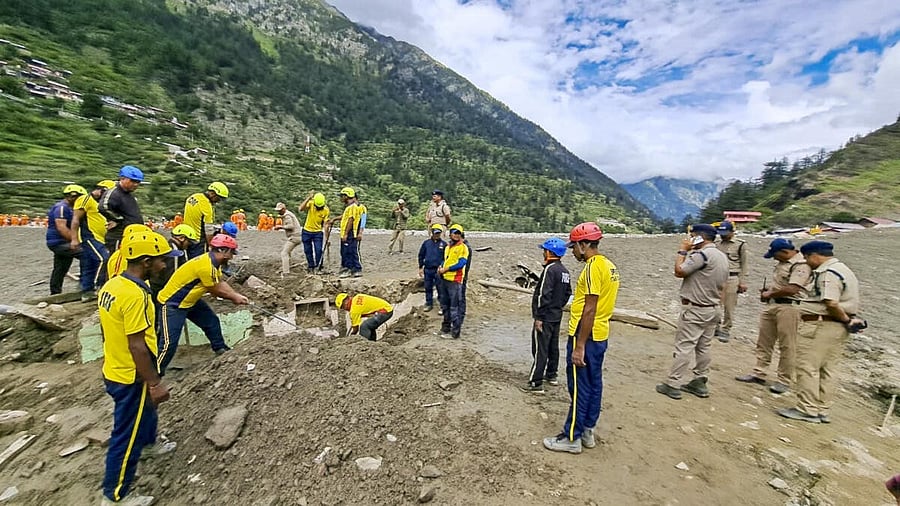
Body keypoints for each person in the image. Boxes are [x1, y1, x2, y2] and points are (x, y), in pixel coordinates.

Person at [98, 229, 180, 506]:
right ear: (145, 261)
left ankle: (149, 444)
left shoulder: (112, 286)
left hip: (115, 367)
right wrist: (154, 382)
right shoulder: (136, 296)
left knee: (145, 414)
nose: (164, 265)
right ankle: (115, 495)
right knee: (125, 435)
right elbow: (137, 345)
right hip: (130, 375)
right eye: (161, 260)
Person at [543, 223, 619, 454]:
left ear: (585, 244)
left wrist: (580, 345)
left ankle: (571, 436)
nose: (573, 251)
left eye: (574, 246)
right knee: (594, 384)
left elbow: (589, 309)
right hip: (600, 334)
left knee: (579, 387)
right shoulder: (609, 266)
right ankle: (587, 430)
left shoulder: (592, 268)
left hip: (586, 335)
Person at [776, 240, 863, 424]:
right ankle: (822, 409)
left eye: (808, 258)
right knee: (828, 369)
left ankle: (806, 409)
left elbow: (830, 302)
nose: (807, 262)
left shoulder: (827, 273)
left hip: (820, 325)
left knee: (808, 367)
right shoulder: (844, 269)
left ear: (815, 255)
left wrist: (845, 319)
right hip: (837, 328)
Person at [155, 234, 249, 375]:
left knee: (211, 321)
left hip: (190, 301)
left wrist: (236, 295)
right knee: (169, 343)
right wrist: (234, 298)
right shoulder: (205, 266)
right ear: (223, 251)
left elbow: (219, 282)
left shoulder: (213, 263)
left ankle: (220, 349)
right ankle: (154, 374)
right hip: (173, 304)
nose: (232, 257)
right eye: (231, 253)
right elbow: (215, 290)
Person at [656, 224, 729, 400]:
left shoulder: (701, 255)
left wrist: (682, 251)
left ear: (700, 237)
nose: (689, 239)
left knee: (684, 346)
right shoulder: (722, 256)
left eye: (692, 236)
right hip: (712, 308)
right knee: (704, 346)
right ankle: (700, 380)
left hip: (696, 308)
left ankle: (673, 384)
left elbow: (679, 271)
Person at [735, 238, 811, 394]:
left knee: (787, 345)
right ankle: (759, 372)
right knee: (764, 341)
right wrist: (768, 292)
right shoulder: (782, 264)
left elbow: (793, 289)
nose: (774, 258)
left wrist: (771, 293)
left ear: (785, 251)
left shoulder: (801, 265)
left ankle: (784, 380)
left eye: (775, 255)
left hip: (790, 307)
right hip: (772, 304)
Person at [524, 238, 572, 394]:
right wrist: (557, 307)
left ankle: (535, 382)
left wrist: (539, 316)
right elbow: (567, 293)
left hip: (545, 317)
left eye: (544, 250)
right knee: (553, 346)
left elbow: (543, 294)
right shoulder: (564, 271)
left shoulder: (550, 270)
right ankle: (551, 375)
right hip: (556, 316)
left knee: (540, 349)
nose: (543, 253)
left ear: (550, 252)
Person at [71, 180, 116, 301]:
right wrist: (74, 238)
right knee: (103, 259)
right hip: (89, 236)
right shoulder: (85, 199)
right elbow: (76, 219)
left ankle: (86, 291)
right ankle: (97, 287)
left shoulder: (103, 204)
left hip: (101, 238)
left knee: (89, 264)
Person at [46, 185, 87, 295]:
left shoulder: (68, 207)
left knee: (60, 268)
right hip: (60, 242)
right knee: (87, 255)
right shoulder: (62, 208)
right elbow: (61, 227)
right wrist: (76, 240)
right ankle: (84, 285)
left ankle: (55, 293)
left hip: (58, 242)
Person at [714, 220, 747, 342]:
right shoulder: (717, 244)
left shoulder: (740, 244)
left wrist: (742, 281)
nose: (723, 235)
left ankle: (726, 329)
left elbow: (744, 264)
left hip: (732, 277)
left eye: (726, 233)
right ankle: (715, 326)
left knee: (729, 305)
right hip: (718, 276)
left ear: (732, 232)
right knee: (716, 303)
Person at [99, 166, 145, 251]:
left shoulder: (128, 194)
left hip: (131, 234)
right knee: (115, 260)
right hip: (119, 235)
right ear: (122, 178)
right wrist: (117, 219)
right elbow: (103, 207)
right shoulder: (114, 192)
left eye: (138, 182)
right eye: (133, 181)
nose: (136, 184)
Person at [183, 182, 228, 259]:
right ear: (213, 194)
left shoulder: (193, 197)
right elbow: (208, 230)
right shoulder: (207, 206)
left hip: (186, 235)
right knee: (199, 261)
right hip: (198, 239)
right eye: (219, 198)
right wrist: (211, 245)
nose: (218, 201)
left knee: (189, 259)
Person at [438, 224, 468, 339]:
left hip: (455, 280)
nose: (456, 235)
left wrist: (447, 269)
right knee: (445, 305)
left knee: (454, 307)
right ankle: (445, 328)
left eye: (458, 233)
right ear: (450, 234)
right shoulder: (448, 247)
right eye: (454, 233)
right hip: (445, 279)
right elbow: (445, 260)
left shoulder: (463, 247)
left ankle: (455, 333)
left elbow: (461, 263)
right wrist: (441, 267)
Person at [418, 224, 447, 312]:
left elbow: (446, 258)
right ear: (432, 232)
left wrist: (442, 266)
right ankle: (429, 303)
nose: (437, 235)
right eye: (435, 233)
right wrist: (420, 267)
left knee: (440, 288)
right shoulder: (426, 243)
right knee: (428, 287)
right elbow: (421, 255)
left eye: (438, 233)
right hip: (428, 269)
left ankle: (442, 306)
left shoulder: (444, 244)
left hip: (438, 270)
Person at [299, 192, 329, 272]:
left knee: (318, 250)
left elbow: (326, 225)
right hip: (306, 231)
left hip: (318, 232)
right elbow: (300, 209)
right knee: (308, 250)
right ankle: (311, 266)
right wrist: (308, 198)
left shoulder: (326, 210)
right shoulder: (311, 204)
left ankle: (319, 266)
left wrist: (327, 238)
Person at [338, 187, 364, 278]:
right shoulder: (349, 207)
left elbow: (351, 219)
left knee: (349, 251)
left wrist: (346, 233)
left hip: (350, 233)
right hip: (349, 232)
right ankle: (352, 268)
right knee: (347, 251)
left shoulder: (354, 207)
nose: (341, 198)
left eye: (342, 196)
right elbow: (346, 217)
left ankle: (351, 269)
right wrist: (335, 219)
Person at [273, 202, 302, 275]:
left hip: (295, 236)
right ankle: (287, 266)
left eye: (280, 210)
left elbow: (291, 226)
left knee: (284, 253)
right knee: (288, 252)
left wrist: (280, 227)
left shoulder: (287, 216)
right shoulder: (288, 214)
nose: (278, 212)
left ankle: (286, 271)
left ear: (284, 209)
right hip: (297, 235)